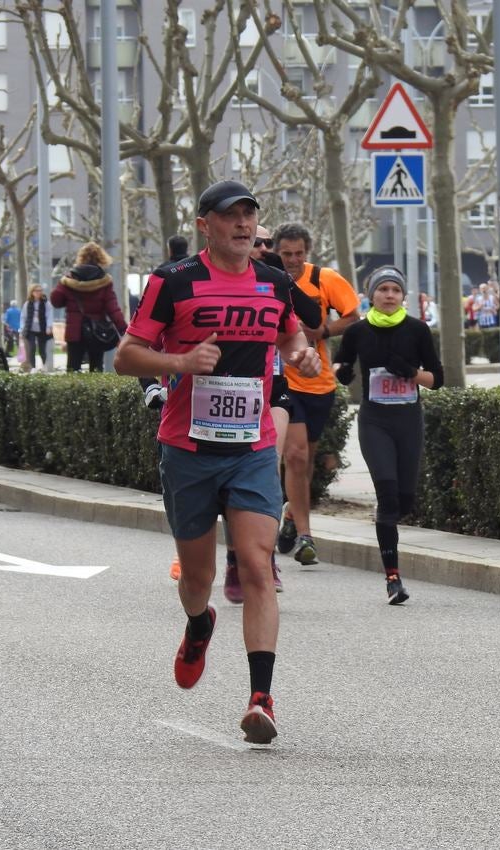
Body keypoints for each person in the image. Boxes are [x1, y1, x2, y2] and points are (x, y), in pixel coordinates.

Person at [115, 179, 322, 744]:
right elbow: (125, 357)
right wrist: (180, 361)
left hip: (252, 448)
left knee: (257, 565)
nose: (243, 224)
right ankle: (199, 623)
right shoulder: (173, 281)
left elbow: (292, 337)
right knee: (199, 578)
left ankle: (262, 698)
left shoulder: (274, 283)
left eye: (249, 215)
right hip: (188, 448)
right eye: (230, 216)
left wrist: (298, 353)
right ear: (205, 223)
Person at [331, 266, 444, 604]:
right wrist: (344, 372)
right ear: (372, 296)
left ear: (404, 296)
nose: (390, 295)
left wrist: (410, 372)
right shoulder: (358, 332)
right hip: (374, 422)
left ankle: (389, 536)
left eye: (396, 290)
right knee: (388, 495)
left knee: (405, 500)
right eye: (384, 290)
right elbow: (340, 365)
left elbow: (437, 380)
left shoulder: (417, 330)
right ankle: (392, 578)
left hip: (409, 421)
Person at [272, 222, 361, 567]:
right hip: (284, 381)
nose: (292, 260)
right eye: (286, 254)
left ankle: (292, 515)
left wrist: (322, 330)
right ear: (276, 252)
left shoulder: (324, 279)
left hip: (319, 382)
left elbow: (353, 317)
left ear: (307, 252)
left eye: (298, 254)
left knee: (304, 461)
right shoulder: (267, 279)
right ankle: (307, 537)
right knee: (293, 456)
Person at [51, 242, 128, 373]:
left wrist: (63, 285)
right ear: (101, 258)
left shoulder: (70, 278)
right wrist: (124, 331)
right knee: (97, 367)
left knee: (73, 368)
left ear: (81, 257)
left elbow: (56, 301)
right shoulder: (104, 280)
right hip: (97, 332)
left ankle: (73, 393)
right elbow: (113, 309)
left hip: (74, 331)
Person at [19, 284, 55, 372]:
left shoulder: (46, 303)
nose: (39, 293)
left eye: (40, 290)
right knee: (32, 348)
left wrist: (49, 327)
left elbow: (49, 315)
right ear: (32, 292)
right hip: (30, 329)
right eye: (37, 291)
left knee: (42, 349)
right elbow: (23, 317)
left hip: (42, 329)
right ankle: (33, 367)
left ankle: (44, 365)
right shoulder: (28, 303)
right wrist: (22, 328)